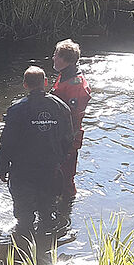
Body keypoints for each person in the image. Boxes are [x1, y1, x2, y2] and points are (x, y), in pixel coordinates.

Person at [0, 66, 73, 234]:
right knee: (47, 213)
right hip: (49, 169)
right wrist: (59, 159)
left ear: (25, 85)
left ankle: (22, 251)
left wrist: (1, 168)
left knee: (24, 217)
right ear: (45, 82)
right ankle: (46, 251)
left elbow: (7, 142)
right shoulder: (61, 107)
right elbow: (68, 139)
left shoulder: (16, 110)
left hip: (22, 171)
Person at [50, 39, 91, 206]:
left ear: (65, 59)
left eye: (56, 55)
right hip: (59, 135)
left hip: (67, 137)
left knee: (65, 177)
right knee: (55, 175)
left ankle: (66, 211)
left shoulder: (77, 85)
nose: (53, 58)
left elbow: (71, 115)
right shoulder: (66, 75)